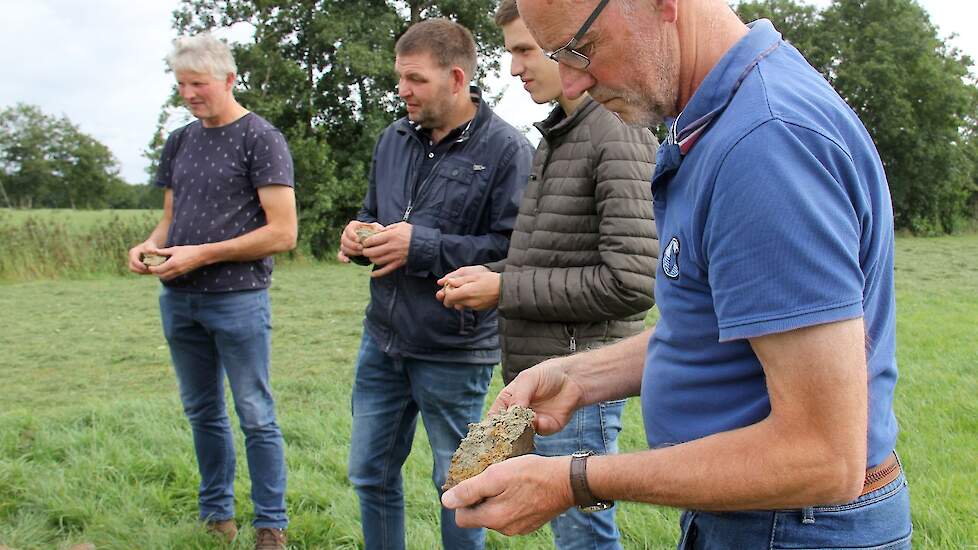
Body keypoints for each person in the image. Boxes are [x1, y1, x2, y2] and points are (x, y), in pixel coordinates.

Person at [441, 1, 911, 548]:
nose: (570, 79)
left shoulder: (765, 142)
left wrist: (575, 480)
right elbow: (725, 331)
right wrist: (577, 378)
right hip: (764, 517)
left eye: (580, 48)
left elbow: (823, 455)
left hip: (792, 526)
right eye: (555, 55)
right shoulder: (723, 120)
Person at [436, 1, 658, 548]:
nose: (514, 68)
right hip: (552, 370)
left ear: (570, 45)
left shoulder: (615, 130)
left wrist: (505, 288)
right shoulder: (561, 131)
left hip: (583, 377)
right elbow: (558, 256)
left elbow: (632, 281)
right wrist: (490, 275)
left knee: (583, 534)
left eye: (525, 50)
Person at [336, 18, 533, 550]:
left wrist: (418, 245)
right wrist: (357, 235)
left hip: (455, 346)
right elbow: (374, 214)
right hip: (382, 339)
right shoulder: (392, 139)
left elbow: (515, 250)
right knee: (369, 473)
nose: (403, 90)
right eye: (400, 78)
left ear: (456, 77)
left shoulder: (507, 151)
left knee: (458, 486)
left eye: (415, 79)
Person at [127, 33, 295, 550]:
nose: (188, 94)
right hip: (178, 299)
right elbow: (171, 221)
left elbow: (283, 232)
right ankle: (217, 515)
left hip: (238, 299)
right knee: (202, 411)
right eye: (180, 85)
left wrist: (199, 253)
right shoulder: (180, 140)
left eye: (197, 84)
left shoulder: (260, 138)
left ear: (228, 79)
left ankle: (270, 524)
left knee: (255, 413)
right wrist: (149, 245)